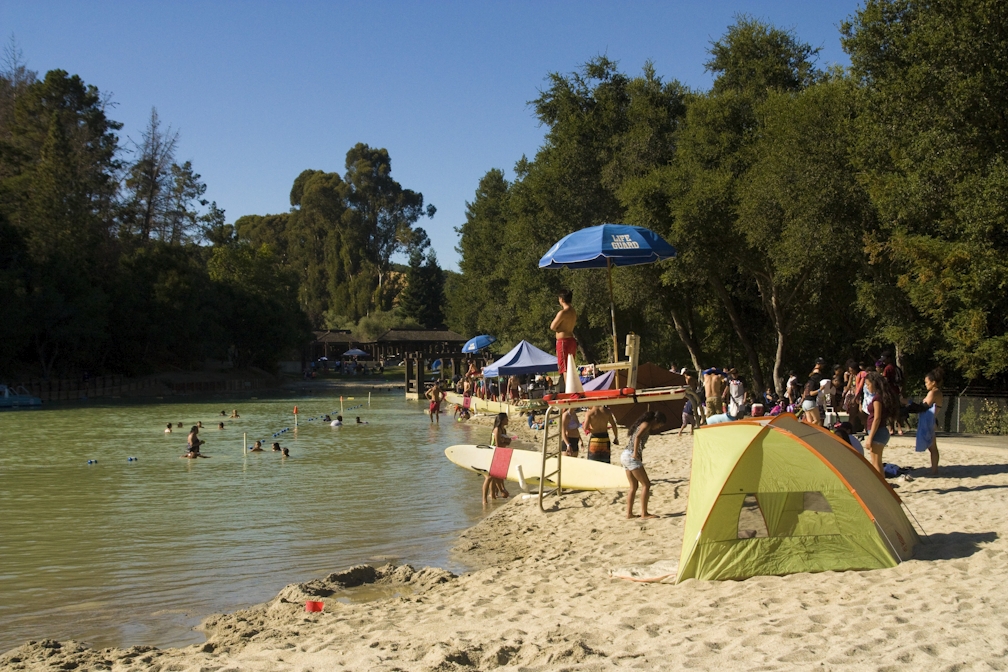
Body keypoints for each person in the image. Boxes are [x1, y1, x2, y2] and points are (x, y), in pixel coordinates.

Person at [622, 411, 666, 519]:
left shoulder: (643, 423)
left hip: (625, 455)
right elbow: (637, 437)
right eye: (659, 425)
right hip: (631, 456)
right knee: (646, 484)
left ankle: (629, 514)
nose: (658, 427)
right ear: (655, 421)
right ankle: (644, 513)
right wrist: (636, 453)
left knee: (634, 486)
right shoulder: (646, 425)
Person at [864, 371, 896, 474]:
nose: (867, 387)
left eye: (868, 384)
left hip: (878, 432)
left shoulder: (877, 398)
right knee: (876, 463)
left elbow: (877, 418)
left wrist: (870, 437)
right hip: (879, 431)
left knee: (876, 463)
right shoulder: (882, 396)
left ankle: (881, 487)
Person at [915, 368, 943, 475]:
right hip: (931, 420)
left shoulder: (934, 393)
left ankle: (934, 470)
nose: (926, 384)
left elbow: (923, 406)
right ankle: (934, 469)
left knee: (932, 447)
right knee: (933, 447)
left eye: (927, 382)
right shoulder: (937, 392)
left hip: (929, 421)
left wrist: (907, 403)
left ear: (933, 382)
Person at [483, 413, 511, 505]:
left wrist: (507, 442)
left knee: (497, 476)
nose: (508, 420)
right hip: (493, 454)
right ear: (502, 420)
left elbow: (505, 443)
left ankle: (494, 495)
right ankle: (485, 500)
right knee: (490, 477)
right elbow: (498, 445)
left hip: (499, 454)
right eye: (506, 419)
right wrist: (506, 442)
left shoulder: (504, 430)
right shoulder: (497, 430)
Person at [551, 289, 577, 384]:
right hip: (571, 339)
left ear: (561, 299)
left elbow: (552, 326)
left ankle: (569, 390)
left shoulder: (563, 313)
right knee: (571, 366)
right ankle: (572, 388)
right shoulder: (573, 311)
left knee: (565, 367)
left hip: (563, 341)